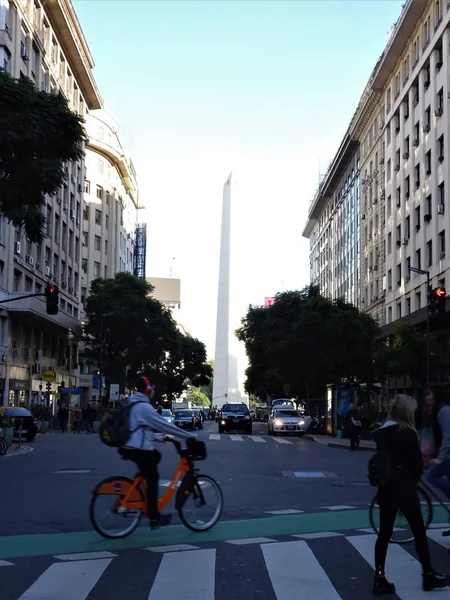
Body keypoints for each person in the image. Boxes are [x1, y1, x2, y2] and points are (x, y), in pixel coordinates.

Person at [371, 394, 448, 596]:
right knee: (419, 533)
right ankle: (428, 574)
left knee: (384, 533)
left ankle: (379, 577)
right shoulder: (408, 434)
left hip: (387, 489)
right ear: (407, 412)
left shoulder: (383, 433)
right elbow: (415, 465)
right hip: (405, 489)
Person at [119, 376, 198, 530]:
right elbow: (165, 425)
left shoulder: (134, 403)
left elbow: (142, 431)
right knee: (153, 477)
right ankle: (154, 516)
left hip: (131, 445)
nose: (154, 391)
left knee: (156, 457)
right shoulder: (144, 407)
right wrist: (190, 436)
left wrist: (161, 438)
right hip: (138, 448)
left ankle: (139, 485)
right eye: (152, 389)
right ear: (147, 390)